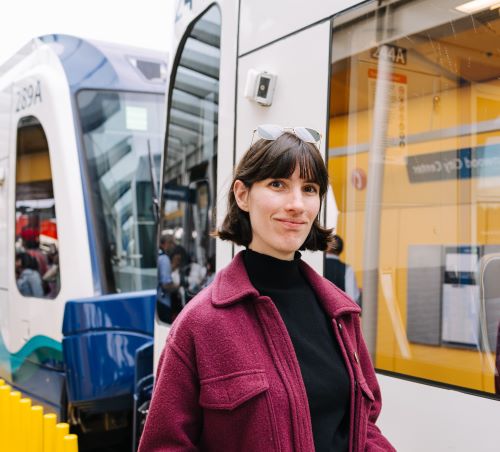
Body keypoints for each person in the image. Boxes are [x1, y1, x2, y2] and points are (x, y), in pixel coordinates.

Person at [139, 126, 395, 452]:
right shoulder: (201, 323)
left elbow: (363, 426)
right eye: (278, 184)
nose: (297, 204)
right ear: (242, 195)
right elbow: (164, 446)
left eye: (310, 188)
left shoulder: (341, 313)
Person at [325, 234, 361, 306]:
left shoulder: (318, 265)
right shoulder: (347, 269)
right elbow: (352, 298)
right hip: (339, 312)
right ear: (341, 249)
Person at [156, 234, 179, 322]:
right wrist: (178, 287)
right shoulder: (164, 258)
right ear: (165, 244)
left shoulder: (159, 256)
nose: (173, 246)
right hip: (163, 302)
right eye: (172, 243)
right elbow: (166, 285)